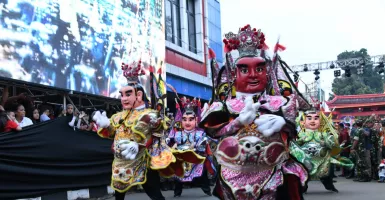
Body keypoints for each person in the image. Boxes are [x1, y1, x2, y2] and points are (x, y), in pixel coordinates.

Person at [199, 24, 309, 200]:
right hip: (233, 173)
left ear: (267, 72)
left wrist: (283, 124)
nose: (253, 75)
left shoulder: (281, 103)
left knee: (290, 182)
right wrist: (238, 122)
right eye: (244, 69)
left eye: (259, 69)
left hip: (273, 171)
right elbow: (213, 130)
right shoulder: (225, 106)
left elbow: (294, 131)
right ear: (234, 74)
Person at [92, 60, 204, 200]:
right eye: (122, 95)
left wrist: (139, 144)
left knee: (154, 194)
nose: (124, 99)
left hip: (143, 162)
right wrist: (106, 124)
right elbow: (112, 133)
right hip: (120, 164)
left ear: (138, 95)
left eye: (128, 94)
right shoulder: (117, 116)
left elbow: (157, 129)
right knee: (119, 194)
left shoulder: (149, 114)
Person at [290, 110, 353, 193]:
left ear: (320, 121)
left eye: (316, 119)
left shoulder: (323, 134)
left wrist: (325, 143)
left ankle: (330, 186)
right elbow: (295, 145)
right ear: (304, 122)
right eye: (309, 119)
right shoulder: (301, 134)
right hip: (306, 160)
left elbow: (331, 144)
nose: (312, 121)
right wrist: (301, 140)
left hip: (322, 160)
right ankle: (302, 188)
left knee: (325, 175)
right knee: (304, 174)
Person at [168, 97, 214, 197]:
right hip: (181, 159)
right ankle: (177, 192)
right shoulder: (178, 133)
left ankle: (207, 190)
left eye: (190, 119)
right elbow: (172, 144)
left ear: (196, 120)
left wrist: (196, 147)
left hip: (195, 158)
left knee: (202, 173)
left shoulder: (200, 133)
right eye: (184, 120)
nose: (187, 123)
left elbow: (202, 146)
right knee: (178, 174)